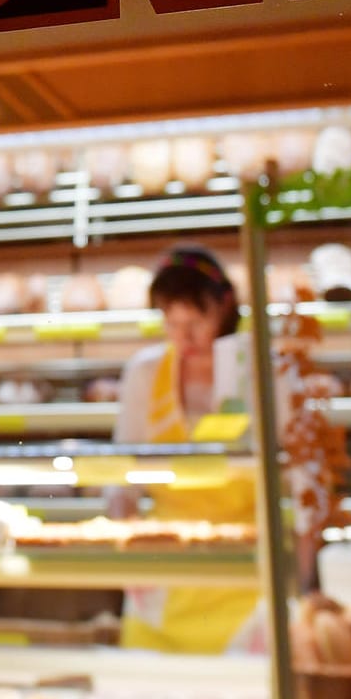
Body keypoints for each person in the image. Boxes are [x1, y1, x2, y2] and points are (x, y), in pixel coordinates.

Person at [111, 245, 265, 653]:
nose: (184, 338)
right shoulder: (145, 372)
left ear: (225, 305)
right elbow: (121, 472)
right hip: (164, 574)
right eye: (171, 323)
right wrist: (123, 545)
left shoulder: (257, 371)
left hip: (246, 572)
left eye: (196, 322)